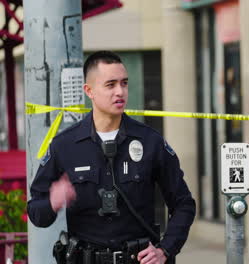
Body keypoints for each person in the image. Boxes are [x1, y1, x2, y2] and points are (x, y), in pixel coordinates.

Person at [27, 51, 196, 264]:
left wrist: (165, 249)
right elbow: (35, 213)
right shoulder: (65, 146)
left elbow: (184, 204)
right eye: (110, 85)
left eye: (124, 83)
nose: (120, 91)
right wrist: (53, 201)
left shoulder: (150, 142)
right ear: (89, 91)